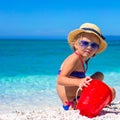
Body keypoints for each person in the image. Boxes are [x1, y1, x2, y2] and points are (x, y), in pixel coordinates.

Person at [56, 23, 116, 110]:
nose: (89, 47)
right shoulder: (74, 58)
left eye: (94, 45)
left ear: (96, 50)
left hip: (77, 96)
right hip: (72, 102)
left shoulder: (80, 59)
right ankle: (94, 103)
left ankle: (97, 102)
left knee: (99, 75)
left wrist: (82, 82)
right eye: (84, 43)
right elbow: (60, 80)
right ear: (75, 44)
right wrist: (79, 81)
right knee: (111, 91)